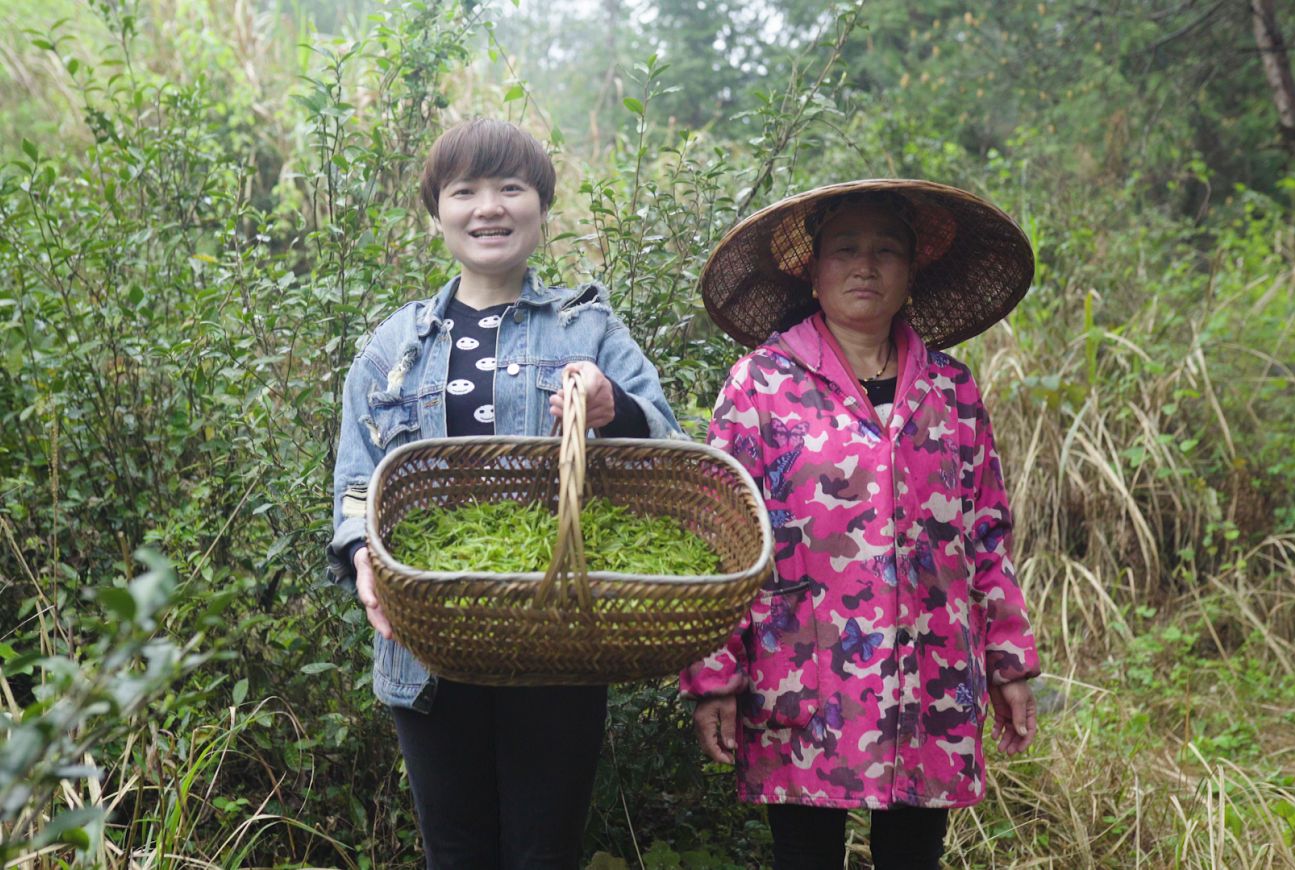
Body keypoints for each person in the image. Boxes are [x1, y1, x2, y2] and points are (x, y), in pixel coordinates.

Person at [328, 118, 682, 869]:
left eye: (510, 188)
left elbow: (675, 455)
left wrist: (614, 407)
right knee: (455, 852)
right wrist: (362, 557)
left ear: (541, 209)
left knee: (544, 850)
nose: (488, 207)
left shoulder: (588, 327)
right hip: (425, 641)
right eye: (466, 191)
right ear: (437, 215)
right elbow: (359, 480)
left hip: (560, 635)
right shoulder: (396, 346)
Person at [681, 180, 1040, 869]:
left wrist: (1009, 663)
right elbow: (719, 540)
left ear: (912, 273)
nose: (865, 266)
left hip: (930, 673)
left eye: (886, 250)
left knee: (914, 854)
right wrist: (715, 677)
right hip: (802, 678)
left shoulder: (950, 389)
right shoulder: (759, 385)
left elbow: (987, 533)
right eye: (845, 249)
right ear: (812, 271)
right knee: (805, 855)